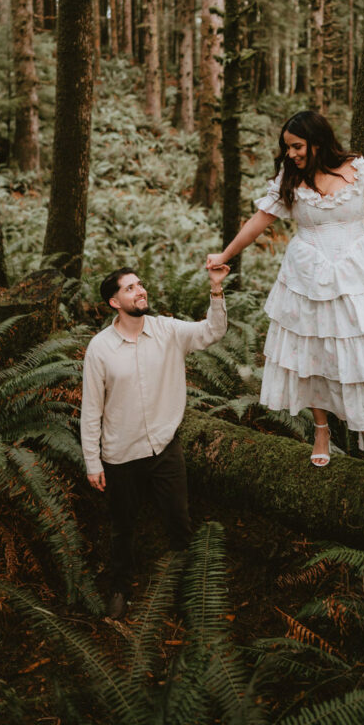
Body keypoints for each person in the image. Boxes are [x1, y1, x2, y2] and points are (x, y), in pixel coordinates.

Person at [207, 110, 364, 466]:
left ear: (317, 140)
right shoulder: (289, 179)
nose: (291, 154)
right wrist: (226, 253)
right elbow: (259, 221)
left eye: (297, 146)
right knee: (312, 352)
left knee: (361, 350)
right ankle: (321, 429)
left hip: (358, 271)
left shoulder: (358, 169)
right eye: (287, 148)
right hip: (307, 275)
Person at [81, 263, 229, 619]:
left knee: (179, 521)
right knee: (123, 527)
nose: (140, 291)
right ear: (114, 302)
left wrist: (216, 290)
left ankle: (188, 593)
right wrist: (92, 462)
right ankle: (120, 588)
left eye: (140, 285)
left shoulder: (168, 331)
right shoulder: (100, 349)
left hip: (165, 447)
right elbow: (91, 409)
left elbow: (212, 331)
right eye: (130, 288)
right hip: (120, 453)